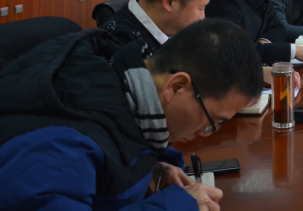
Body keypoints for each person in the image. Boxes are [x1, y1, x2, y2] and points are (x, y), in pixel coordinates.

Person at [0, 18, 263, 211]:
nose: (204, 133)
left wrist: (151, 169)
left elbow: (117, 144)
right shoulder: (62, 146)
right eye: (212, 120)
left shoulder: (122, 82)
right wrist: (176, 205)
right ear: (176, 87)